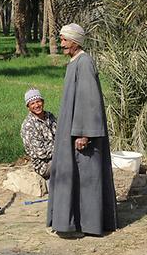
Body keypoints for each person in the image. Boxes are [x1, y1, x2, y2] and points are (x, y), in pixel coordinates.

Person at [46, 23, 117, 237]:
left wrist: (84, 133)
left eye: (65, 40)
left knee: (87, 177)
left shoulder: (84, 63)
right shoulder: (74, 62)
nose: (62, 44)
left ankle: (88, 224)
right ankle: (71, 222)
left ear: (75, 41)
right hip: (71, 130)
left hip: (81, 133)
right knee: (71, 175)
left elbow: (89, 101)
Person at [20, 88, 57, 180]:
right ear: (28, 107)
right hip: (44, 165)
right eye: (32, 103)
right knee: (67, 163)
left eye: (38, 101)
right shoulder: (28, 125)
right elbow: (40, 152)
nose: (36, 105)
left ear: (43, 102)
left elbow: (60, 135)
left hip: (59, 154)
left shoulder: (50, 116)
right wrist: (62, 149)